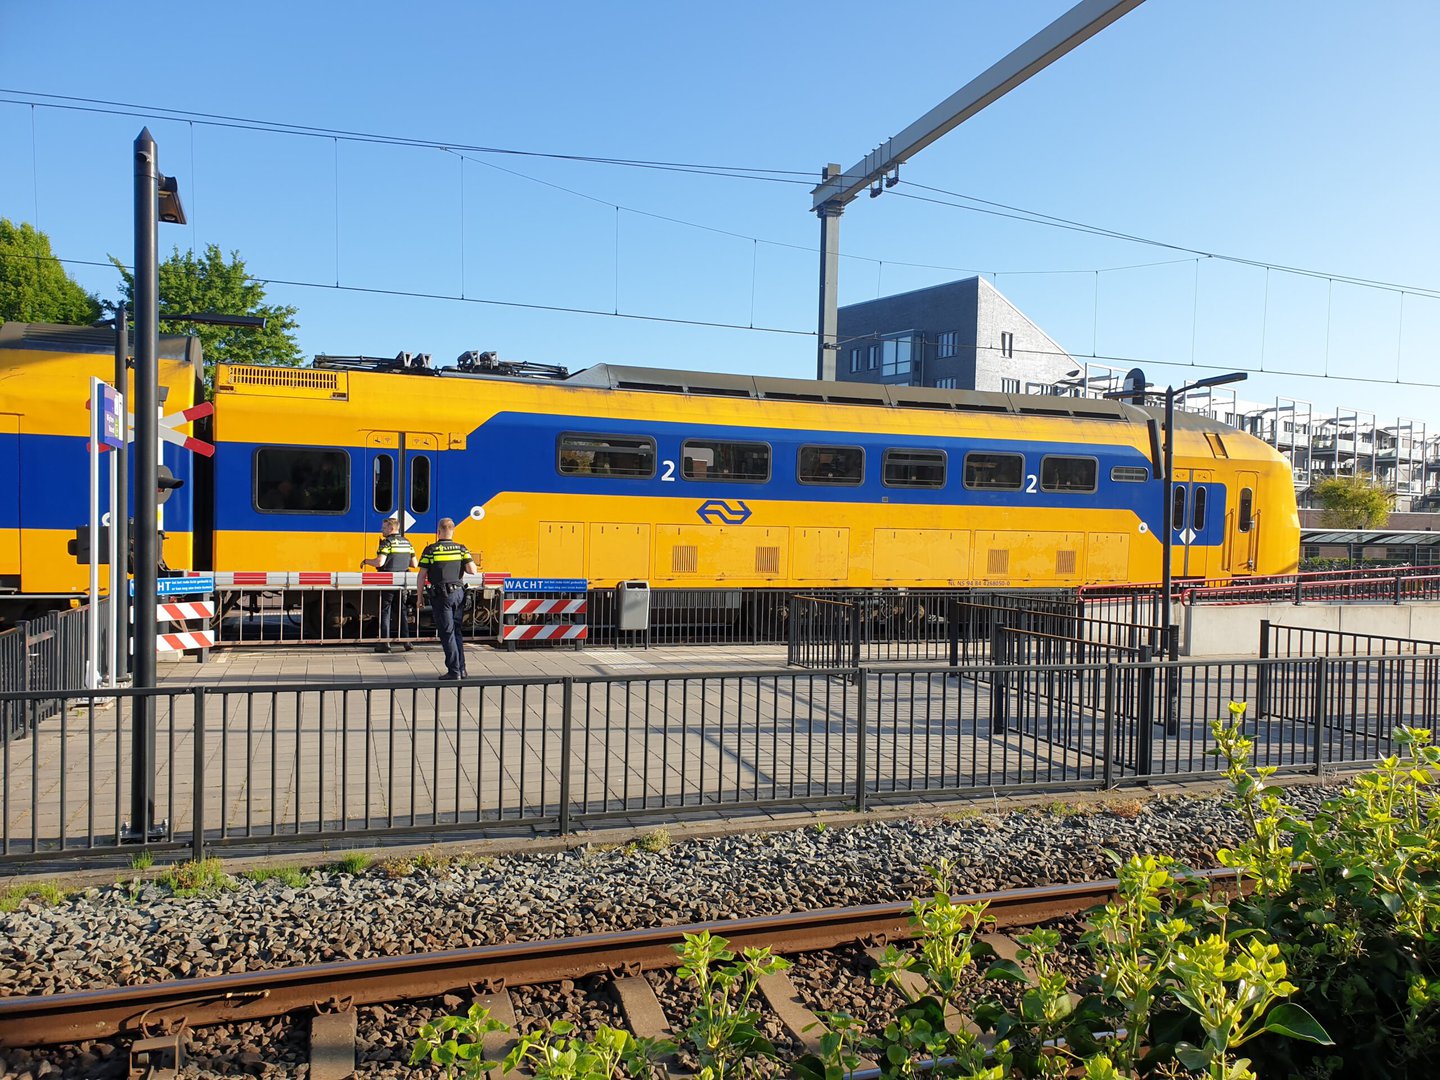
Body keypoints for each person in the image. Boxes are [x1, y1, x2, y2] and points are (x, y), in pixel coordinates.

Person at [416, 517, 477, 680]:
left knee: (447, 633)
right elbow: (472, 570)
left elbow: (421, 576)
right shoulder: (461, 549)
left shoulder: (431, 550)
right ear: (453, 530)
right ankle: (462, 669)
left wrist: (419, 597)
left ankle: (454, 671)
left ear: (438, 531)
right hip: (459, 594)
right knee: (456, 631)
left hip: (442, 596)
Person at [361, 516, 418, 653]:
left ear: (392, 528)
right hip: (402, 582)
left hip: (388, 581)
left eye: (384, 527)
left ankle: (385, 644)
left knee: (385, 612)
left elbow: (380, 562)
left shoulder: (386, 543)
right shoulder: (407, 542)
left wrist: (366, 561)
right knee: (401, 611)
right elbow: (414, 564)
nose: (382, 530)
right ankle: (407, 642)